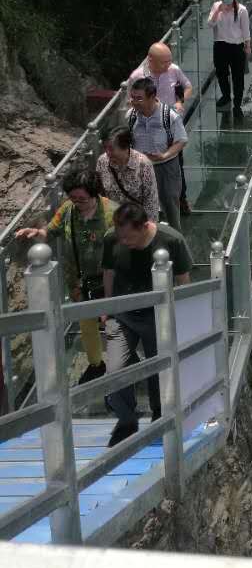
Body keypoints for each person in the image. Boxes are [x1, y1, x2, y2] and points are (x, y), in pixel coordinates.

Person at [101, 202, 192, 447]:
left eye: (129, 237)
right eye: (121, 236)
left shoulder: (170, 241)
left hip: (158, 316)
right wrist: (107, 307)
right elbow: (108, 272)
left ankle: (160, 416)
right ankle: (127, 419)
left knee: (159, 369)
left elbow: (184, 280)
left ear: (144, 227)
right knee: (115, 369)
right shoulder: (112, 239)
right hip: (123, 315)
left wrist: (181, 317)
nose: (124, 241)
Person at [15, 168, 116, 384]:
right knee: (87, 324)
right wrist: (36, 234)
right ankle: (96, 364)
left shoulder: (111, 213)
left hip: (109, 280)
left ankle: (123, 366)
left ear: (94, 194)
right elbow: (51, 230)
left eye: (82, 199)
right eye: (73, 198)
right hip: (80, 282)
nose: (77, 203)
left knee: (115, 323)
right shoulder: (68, 210)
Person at [127, 77, 187, 230]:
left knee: (170, 204)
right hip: (141, 168)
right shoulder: (131, 116)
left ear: (152, 97)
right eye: (132, 97)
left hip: (166, 167)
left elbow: (181, 140)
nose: (134, 101)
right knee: (142, 205)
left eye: (139, 98)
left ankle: (175, 239)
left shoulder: (169, 115)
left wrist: (164, 155)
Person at [208, 0, 251, 118]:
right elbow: (210, 24)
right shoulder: (216, 6)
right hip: (220, 45)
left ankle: (237, 102)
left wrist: (247, 46)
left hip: (236, 47)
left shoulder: (241, 10)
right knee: (221, 73)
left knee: (238, 75)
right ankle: (226, 96)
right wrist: (218, 11)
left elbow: (246, 30)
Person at [96, 128, 159, 220]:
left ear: (125, 147)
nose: (107, 153)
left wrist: (149, 225)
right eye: (105, 147)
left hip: (136, 220)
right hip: (112, 218)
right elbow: (100, 193)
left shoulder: (143, 164)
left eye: (111, 149)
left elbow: (151, 200)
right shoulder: (102, 161)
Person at [127, 43, 192, 114]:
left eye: (169, 61)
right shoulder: (137, 76)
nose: (168, 65)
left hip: (171, 118)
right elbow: (130, 101)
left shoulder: (174, 69)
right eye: (164, 62)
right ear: (151, 60)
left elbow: (188, 87)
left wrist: (180, 102)